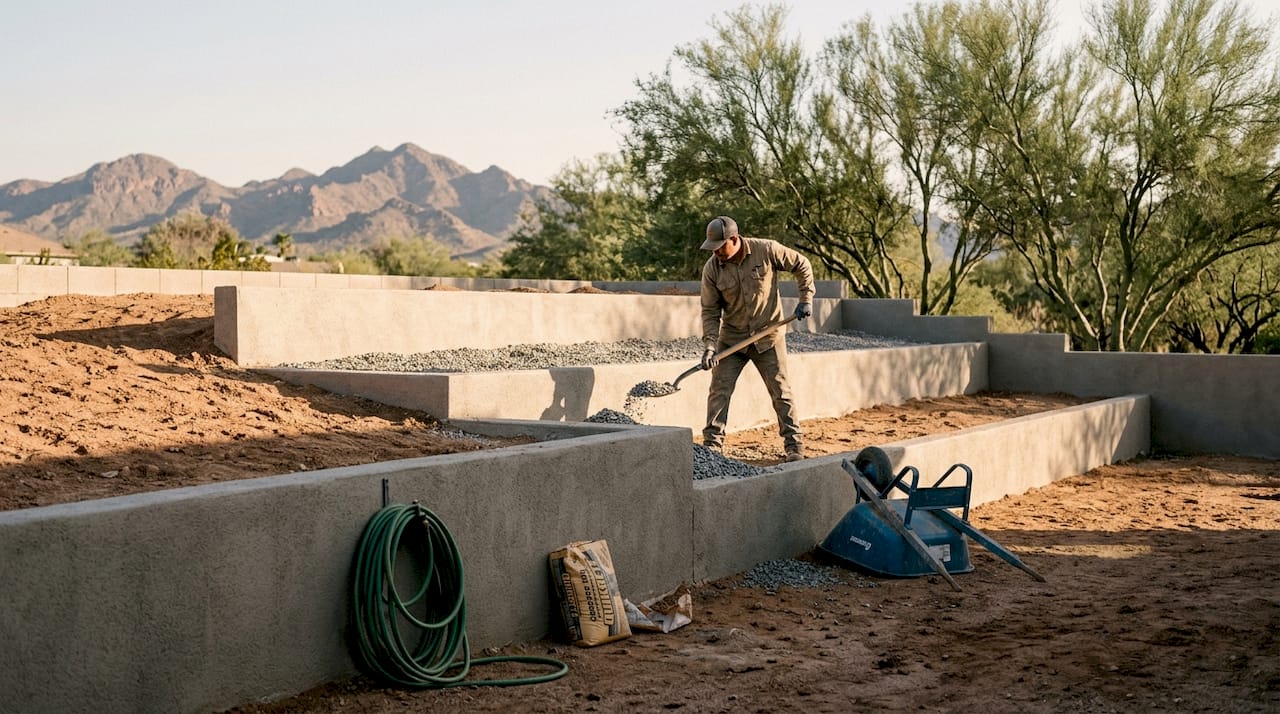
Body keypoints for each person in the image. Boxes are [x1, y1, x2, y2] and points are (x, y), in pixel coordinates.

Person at [698, 215, 814, 462]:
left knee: (780, 391)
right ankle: (712, 447)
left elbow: (802, 264)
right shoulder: (712, 269)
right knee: (719, 390)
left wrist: (806, 299)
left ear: (734, 239)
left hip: (767, 337)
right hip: (732, 341)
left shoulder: (767, 250)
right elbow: (710, 311)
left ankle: (794, 446)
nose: (716, 253)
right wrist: (710, 346)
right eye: (712, 249)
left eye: (719, 247)